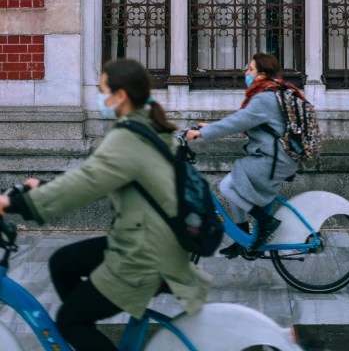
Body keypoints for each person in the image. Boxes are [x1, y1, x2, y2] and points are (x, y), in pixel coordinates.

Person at [0, 58, 212, 351]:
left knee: (69, 321)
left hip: (146, 255)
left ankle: (82, 331)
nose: (100, 98)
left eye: (103, 90)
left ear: (121, 95)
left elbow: (86, 181)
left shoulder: (128, 138)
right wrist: (45, 189)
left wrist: (14, 203)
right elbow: (97, 178)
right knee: (62, 263)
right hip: (149, 239)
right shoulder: (150, 126)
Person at [187, 52, 299, 258]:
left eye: (250, 69)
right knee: (237, 186)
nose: (246, 73)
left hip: (273, 160)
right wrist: (210, 127)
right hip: (273, 157)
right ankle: (243, 238)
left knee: (228, 185)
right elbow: (244, 120)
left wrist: (202, 133)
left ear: (261, 74)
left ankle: (266, 223)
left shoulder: (265, 97)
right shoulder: (272, 92)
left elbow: (237, 122)